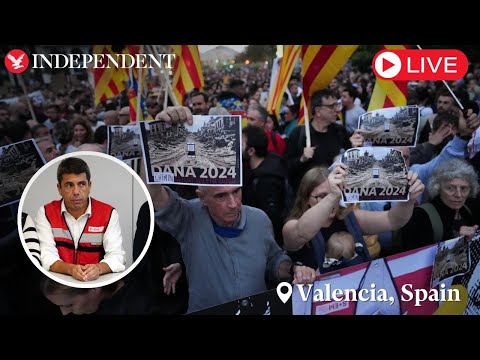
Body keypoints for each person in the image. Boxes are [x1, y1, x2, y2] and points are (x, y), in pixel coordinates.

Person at [148, 106, 316, 313]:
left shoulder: (259, 219)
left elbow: (273, 260)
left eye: (236, 192)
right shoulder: (188, 218)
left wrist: (293, 270)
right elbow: (155, 194)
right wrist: (159, 134)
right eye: (220, 196)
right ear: (202, 198)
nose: (234, 203)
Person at [282, 164, 424, 273]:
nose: (332, 201)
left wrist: (408, 200)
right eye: (322, 196)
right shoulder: (291, 226)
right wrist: (332, 196)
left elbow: (393, 220)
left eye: (337, 192)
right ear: (306, 198)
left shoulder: (350, 218)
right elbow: (302, 232)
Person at [35, 157, 126, 282]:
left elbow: (117, 256)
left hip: (96, 285)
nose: (76, 192)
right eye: (69, 185)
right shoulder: (46, 212)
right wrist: (71, 269)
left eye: (81, 184)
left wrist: (98, 268)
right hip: (58, 283)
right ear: (59, 188)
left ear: (89, 186)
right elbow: (46, 256)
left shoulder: (108, 213)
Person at [400, 158, 479, 251]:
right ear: (438, 188)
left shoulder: (467, 210)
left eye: (464, 188)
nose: (459, 195)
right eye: (450, 188)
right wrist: (457, 241)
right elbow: (416, 259)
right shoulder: (421, 216)